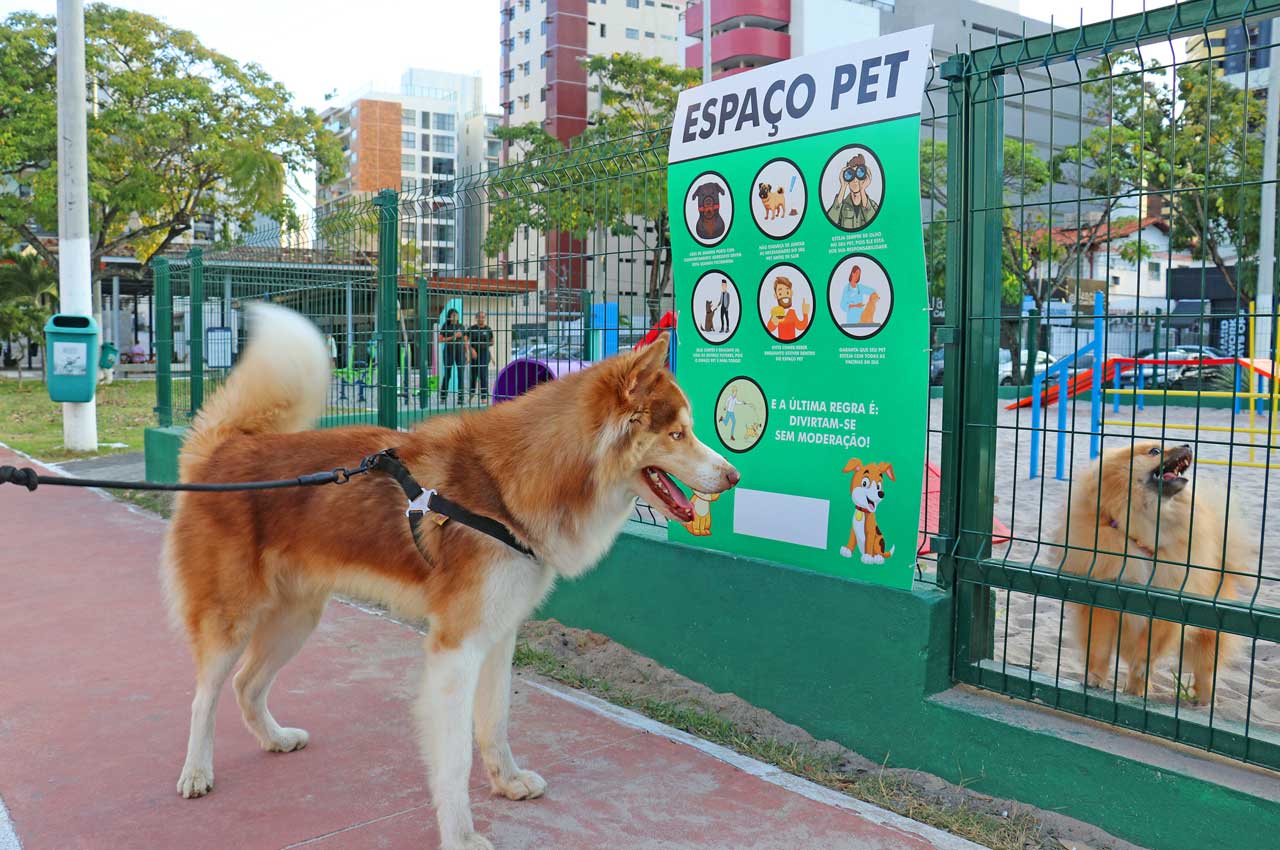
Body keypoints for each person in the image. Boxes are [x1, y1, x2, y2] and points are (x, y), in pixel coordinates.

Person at [825, 153, 879, 231]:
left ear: (865, 176)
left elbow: (877, 226)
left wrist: (862, 189)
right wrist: (843, 187)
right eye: (850, 174)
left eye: (860, 173)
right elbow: (828, 224)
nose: (855, 180)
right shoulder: (842, 206)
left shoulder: (873, 206)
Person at [765, 276, 810, 342]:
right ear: (775, 295)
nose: (784, 295)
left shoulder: (792, 312)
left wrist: (805, 313)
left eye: (787, 292)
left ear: (791, 293)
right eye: (780, 293)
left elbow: (801, 326)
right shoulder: (776, 312)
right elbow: (769, 328)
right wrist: (774, 322)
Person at [438, 309, 466, 406]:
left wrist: (467, 353)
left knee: (461, 375)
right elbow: (440, 339)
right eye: (453, 315)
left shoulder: (461, 326)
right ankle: (443, 397)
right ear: (449, 316)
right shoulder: (445, 326)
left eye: (456, 315)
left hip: (460, 352)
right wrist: (453, 337)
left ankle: (461, 399)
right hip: (448, 352)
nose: (455, 317)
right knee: (447, 374)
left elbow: (465, 339)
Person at [466, 311, 493, 404]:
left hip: (484, 354)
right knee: (473, 375)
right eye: (479, 317)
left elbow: (492, 342)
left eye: (483, 317)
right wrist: (471, 349)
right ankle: (472, 393)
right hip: (474, 355)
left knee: (483, 374)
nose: (481, 319)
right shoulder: (471, 329)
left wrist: (484, 344)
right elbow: (465, 341)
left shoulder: (488, 329)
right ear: (476, 318)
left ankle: (484, 396)